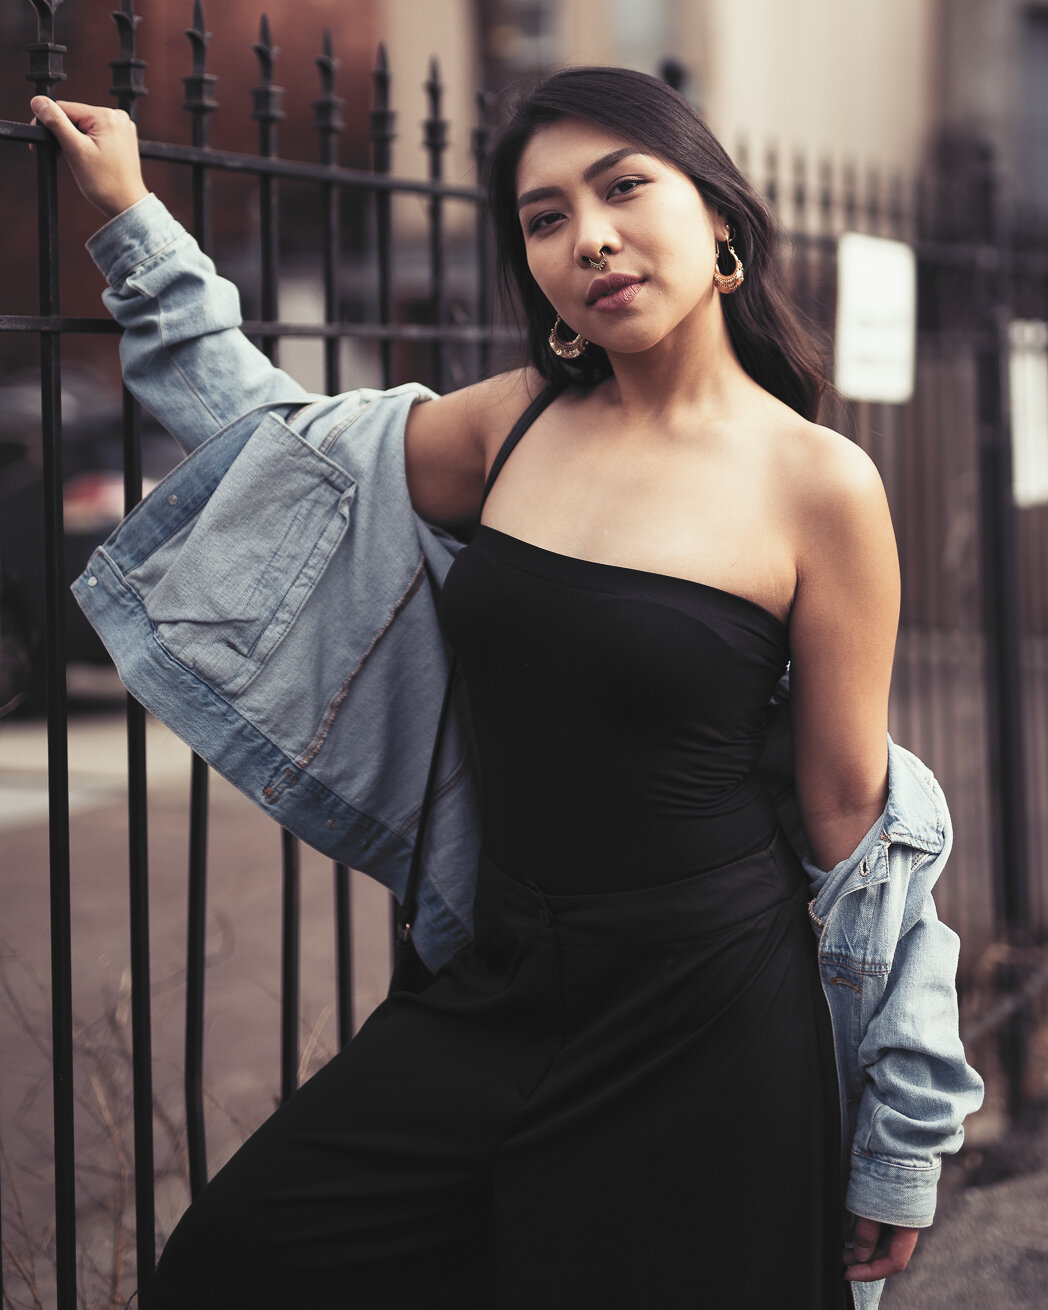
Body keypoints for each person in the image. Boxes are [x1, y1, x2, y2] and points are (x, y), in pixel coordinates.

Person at [31, 66, 982, 1310]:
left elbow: (858, 824)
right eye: (542, 217)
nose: (588, 235)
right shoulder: (512, 427)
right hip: (496, 978)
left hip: (706, 1015)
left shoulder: (821, 484)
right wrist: (132, 221)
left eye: (623, 186)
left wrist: (897, 1134)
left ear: (721, 225)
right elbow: (277, 454)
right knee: (231, 1264)